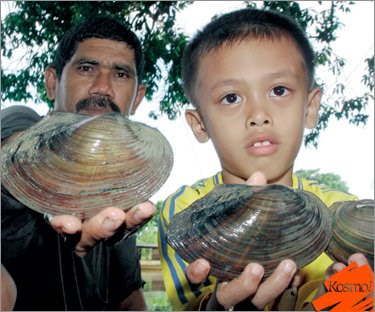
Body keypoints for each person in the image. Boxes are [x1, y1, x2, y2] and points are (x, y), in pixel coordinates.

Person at [158, 8, 371, 311]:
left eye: (279, 90)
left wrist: (347, 299)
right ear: (199, 124)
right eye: (231, 98)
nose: (258, 115)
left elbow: (359, 290)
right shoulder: (182, 210)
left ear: (310, 108)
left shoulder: (341, 213)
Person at [1, 17, 156, 310]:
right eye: (86, 68)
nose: (103, 88)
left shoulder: (124, 199)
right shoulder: (20, 122)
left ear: (137, 98)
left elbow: (129, 300)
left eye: (121, 74)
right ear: (52, 82)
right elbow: (15, 154)